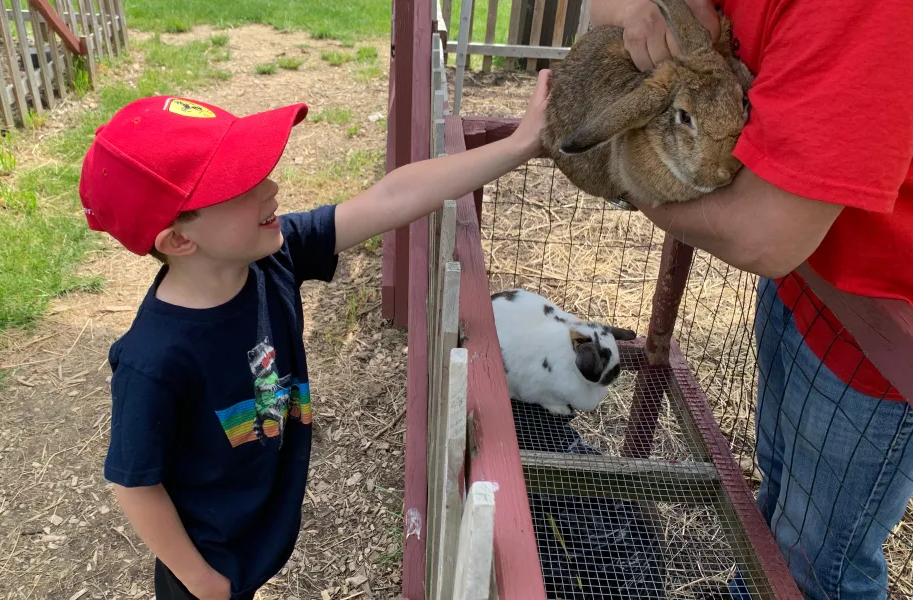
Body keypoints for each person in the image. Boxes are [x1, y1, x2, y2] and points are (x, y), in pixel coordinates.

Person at [76, 75, 550, 599]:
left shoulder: (272, 260)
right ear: (180, 239)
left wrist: (520, 145)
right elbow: (134, 482)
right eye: (241, 184)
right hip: (207, 562)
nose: (271, 187)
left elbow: (394, 197)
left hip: (255, 531)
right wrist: (201, 581)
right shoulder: (154, 359)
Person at [589, 0, 913, 598]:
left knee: (825, 557)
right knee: (780, 482)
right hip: (810, 284)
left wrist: (636, 181)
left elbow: (766, 233)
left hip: (887, 335)